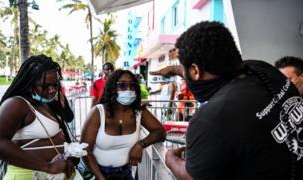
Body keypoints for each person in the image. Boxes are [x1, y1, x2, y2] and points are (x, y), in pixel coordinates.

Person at [164, 21, 303, 179]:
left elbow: (193, 177)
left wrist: (171, 160)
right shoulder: (262, 69)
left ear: (195, 71)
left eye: (184, 68)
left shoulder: (210, 118)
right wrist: (181, 69)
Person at [0, 54, 79, 179]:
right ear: (30, 82)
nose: (51, 90)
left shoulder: (48, 101)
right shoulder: (17, 104)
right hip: (27, 175)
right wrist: (47, 167)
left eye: (55, 85)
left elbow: (68, 118)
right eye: (45, 86)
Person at [81, 69, 166, 180]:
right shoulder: (98, 112)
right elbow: (85, 150)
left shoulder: (138, 111)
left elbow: (160, 132)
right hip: (98, 174)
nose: (129, 90)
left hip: (125, 174)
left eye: (132, 85)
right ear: (113, 88)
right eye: (122, 85)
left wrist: (141, 144)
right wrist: (101, 178)